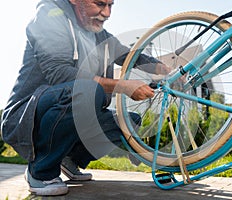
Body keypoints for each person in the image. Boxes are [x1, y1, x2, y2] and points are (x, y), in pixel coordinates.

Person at [0, 0, 169, 196]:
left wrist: (164, 69)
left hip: (66, 106)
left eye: (110, 5)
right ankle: (41, 171)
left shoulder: (97, 34)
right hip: (28, 115)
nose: (107, 13)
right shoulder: (49, 17)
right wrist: (122, 86)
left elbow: (129, 56)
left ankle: (68, 157)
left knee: (129, 121)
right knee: (89, 89)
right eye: (99, 4)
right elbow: (59, 73)